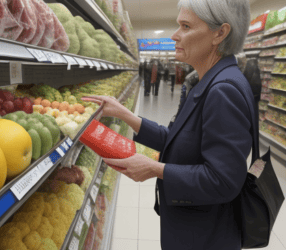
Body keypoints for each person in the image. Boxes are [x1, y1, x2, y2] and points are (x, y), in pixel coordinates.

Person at [82, 0, 253, 249]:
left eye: (185, 26)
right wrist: (125, 114)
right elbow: (175, 139)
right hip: (194, 228)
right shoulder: (206, 83)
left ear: (220, 33)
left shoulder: (224, 90)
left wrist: (155, 169)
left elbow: (224, 181)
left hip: (204, 237)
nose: (175, 35)